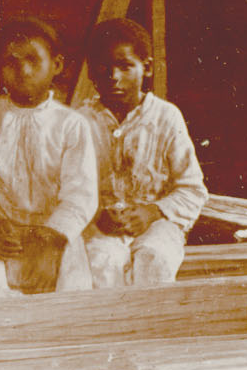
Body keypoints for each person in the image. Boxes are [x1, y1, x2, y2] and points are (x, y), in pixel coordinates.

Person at [0, 18, 98, 298]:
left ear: (56, 64)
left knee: (71, 296)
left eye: (33, 60)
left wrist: (51, 240)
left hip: (57, 233)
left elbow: (80, 195)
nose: (23, 70)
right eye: (10, 62)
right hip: (1, 231)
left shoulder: (71, 124)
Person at [81, 18, 208, 287]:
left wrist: (153, 212)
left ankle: (154, 317)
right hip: (100, 227)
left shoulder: (166, 117)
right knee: (102, 262)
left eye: (125, 66)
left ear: (146, 68)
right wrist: (96, 215)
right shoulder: (80, 123)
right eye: (103, 67)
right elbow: (68, 189)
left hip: (158, 224)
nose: (114, 77)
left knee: (155, 257)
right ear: (91, 72)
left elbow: (192, 189)